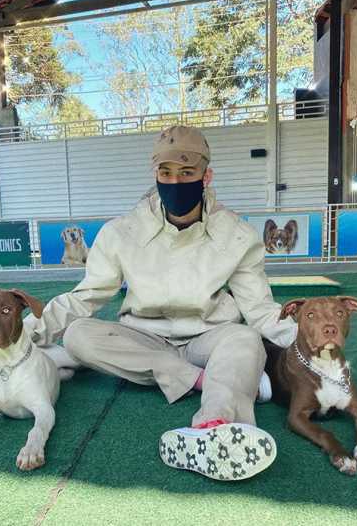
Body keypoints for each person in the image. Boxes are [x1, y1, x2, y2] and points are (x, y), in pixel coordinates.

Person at [25, 125, 297, 481]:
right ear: (155, 174)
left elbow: (259, 308)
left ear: (206, 176)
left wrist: (311, 346)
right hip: (144, 339)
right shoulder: (121, 232)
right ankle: (204, 381)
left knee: (245, 339)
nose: (175, 181)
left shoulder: (237, 234)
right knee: (78, 334)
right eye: (166, 173)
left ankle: (214, 425)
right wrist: (26, 333)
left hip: (208, 337)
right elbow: (86, 296)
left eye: (187, 173)